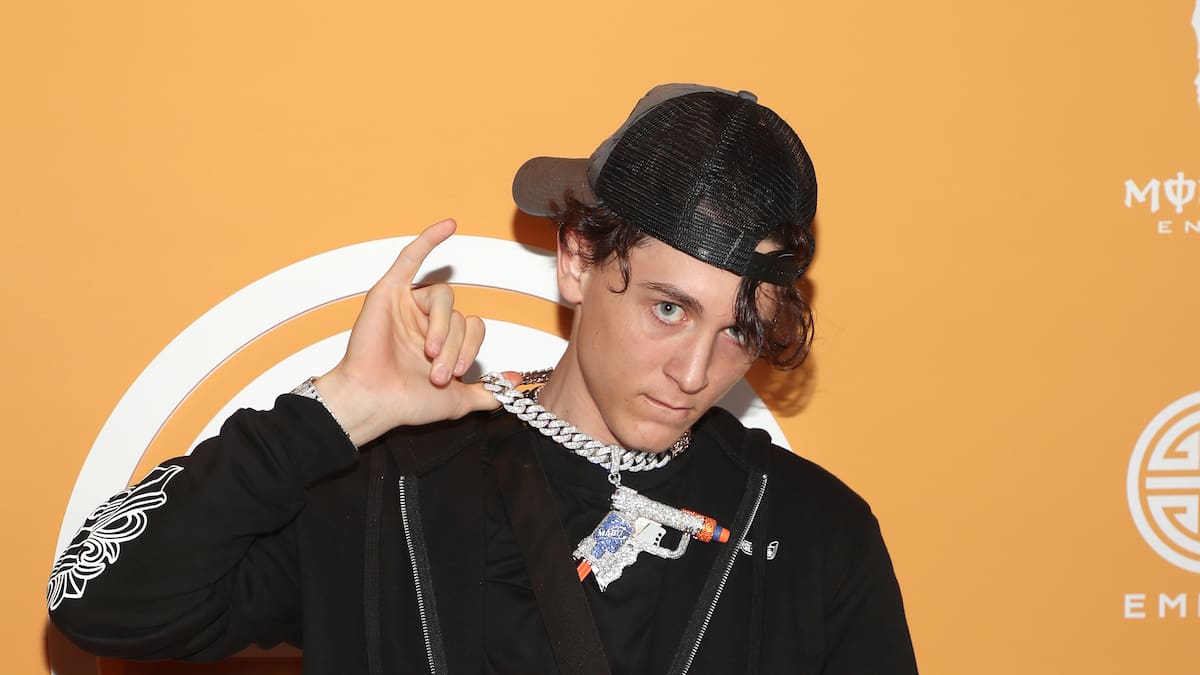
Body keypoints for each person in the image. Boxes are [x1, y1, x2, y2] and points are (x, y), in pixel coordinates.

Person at [47, 83, 918, 674]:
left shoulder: (815, 534)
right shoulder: (387, 483)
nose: (695, 371)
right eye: (667, 308)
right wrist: (336, 409)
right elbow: (96, 598)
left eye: (739, 329)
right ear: (578, 258)